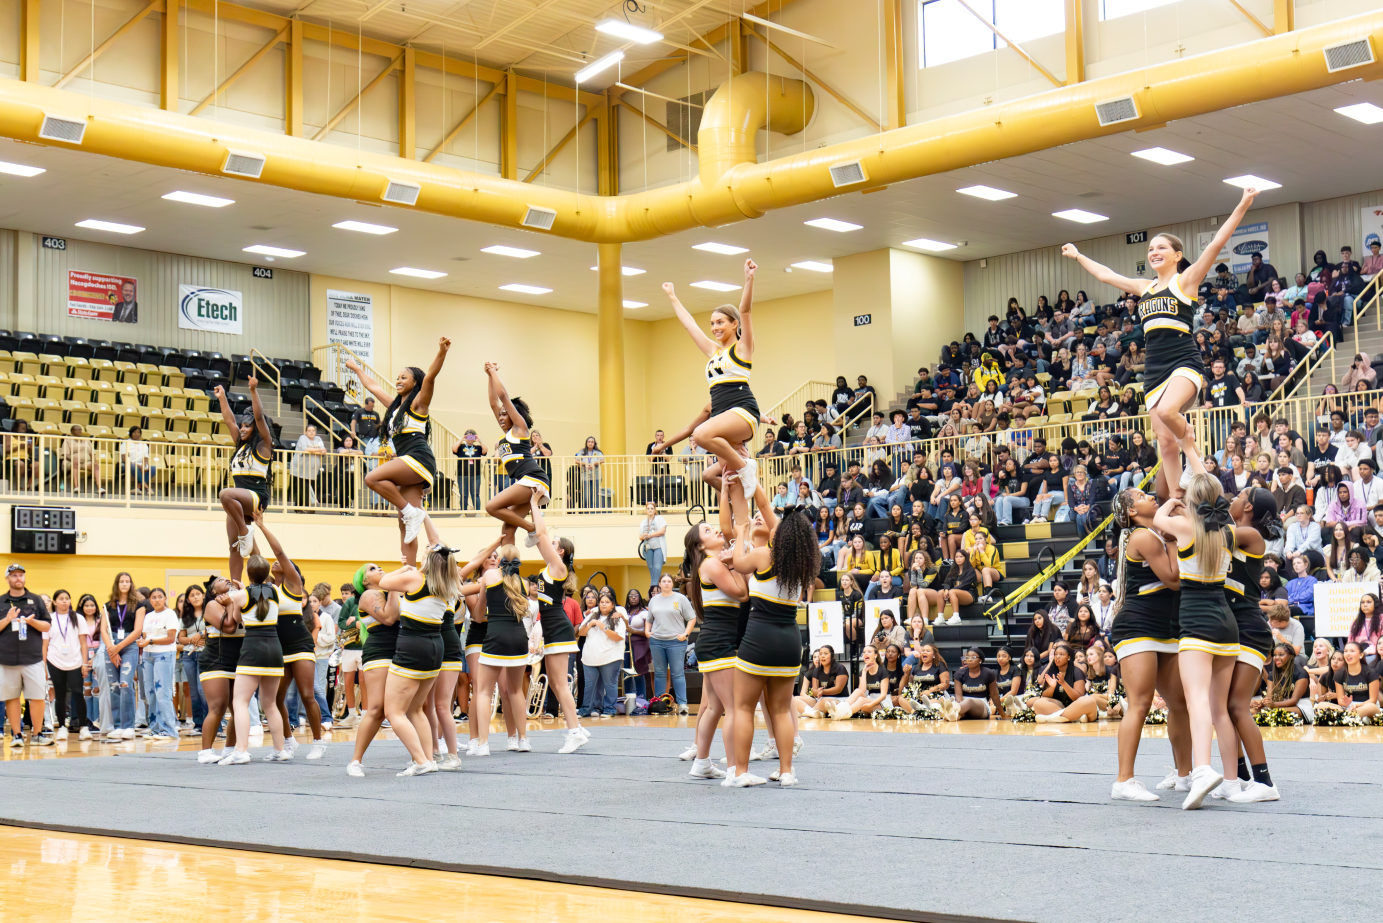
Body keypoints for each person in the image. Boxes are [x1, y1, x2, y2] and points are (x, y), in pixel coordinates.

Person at [1064, 185, 1258, 497]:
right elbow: (1105, 275)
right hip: (1153, 368)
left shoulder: (1187, 281)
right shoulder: (1144, 287)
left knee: (1170, 413)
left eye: (1161, 248)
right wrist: (1078, 256)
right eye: (1151, 248)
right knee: (1165, 442)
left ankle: (1197, 466)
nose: (1154, 252)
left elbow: (1218, 240)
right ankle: (1178, 500)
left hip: (1183, 361)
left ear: (1177, 255)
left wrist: (1243, 203)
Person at [1152, 473, 1243, 809]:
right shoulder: (1227, 530)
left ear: (1192, 500)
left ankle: (1203, 769)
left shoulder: (1186, 527)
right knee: (1220, 709)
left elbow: (1160, 519)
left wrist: (1173, 502)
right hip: (1226, 624)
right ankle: (1231, 782)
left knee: (1197, 702)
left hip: (1196, 621)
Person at [661, 260, 762, 526]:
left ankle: (745, 467)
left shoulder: (743, 348)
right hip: (721, 418)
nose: (715, 327)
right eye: (712, 323)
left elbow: (745, 309)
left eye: (720, 322)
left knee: (701, 434)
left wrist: (748, 278)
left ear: (733, 324)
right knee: (735, 488)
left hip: (741, 411)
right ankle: (743, 544)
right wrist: (672, 296)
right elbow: (688, 325)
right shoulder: (713, 352)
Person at [728, 503, 818, 787]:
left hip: (759, 638)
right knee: (781, 710)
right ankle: (787, 771)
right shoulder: (800, 567)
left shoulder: (763, 555)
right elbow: (769, 512)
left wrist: (741, 533)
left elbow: (736, 562)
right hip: (791, 642)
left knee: (743, 707)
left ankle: (741, 772)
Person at [346, 340, 449, 557]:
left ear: (415, 382)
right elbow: (373, 386)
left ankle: (412, 512)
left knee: (371, 478)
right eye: (398, 377)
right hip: (408, 461)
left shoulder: (419, 403)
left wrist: (441, 351)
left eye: (404, 377)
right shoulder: (395, 407)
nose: (398, 380)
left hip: (418, 458)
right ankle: (409, 572)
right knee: (404, 525)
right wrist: (356, 368)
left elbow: (430, 376)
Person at [1217, 488, 1281, 803]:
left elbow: (1209, 533)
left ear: (1249, 506)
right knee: (1226, 708)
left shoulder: (1251, 536)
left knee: (1237, 706)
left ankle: (1265, 782)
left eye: (1239, 494)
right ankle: (1240, 775)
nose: (1233, 497)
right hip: (1232, 629)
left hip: (1251, 630)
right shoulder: (1237, 531)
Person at [680, 495, 748, 777]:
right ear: (700, 545)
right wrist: (735, 562)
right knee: (733, 708)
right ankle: (734, 770)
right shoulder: (711, 564)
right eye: (707, 531)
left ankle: (702, 763)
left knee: (714, 707)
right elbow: (743, 594)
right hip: (718, 642)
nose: (716, 530)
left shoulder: (709, 564)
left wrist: (723, 489)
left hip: (713, 640)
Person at [253, 513, 328, 761]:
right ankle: (288, 741)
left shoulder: (294, 585)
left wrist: (262, 526)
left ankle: (318, 742)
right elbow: (255, 558)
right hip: (277, 646)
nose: (275, 562)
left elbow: (280, 552)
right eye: (272, 562)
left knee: (307, 694)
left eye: (281, 562)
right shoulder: (267, 586)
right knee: (275, 698)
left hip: (300, 643)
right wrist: (248, 530)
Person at [216, 554, 289, 765]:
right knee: (270, 704)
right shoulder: (275, 590)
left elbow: (237, 619)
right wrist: (243, 589)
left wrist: (237, 594)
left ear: (248, 574)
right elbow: (261, 592)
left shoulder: (240, 595)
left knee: (240, 702)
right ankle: (280, 749)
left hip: (253, 647)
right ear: (267, 573)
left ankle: (241, 751)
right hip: (274, 647)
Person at [482, 362, 551, 546]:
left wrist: (494, 371)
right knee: (507, 528)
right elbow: (492, 402)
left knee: (491, 506)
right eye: (501, 415)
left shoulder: (520, 428)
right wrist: (488, 376)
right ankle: (509, 568)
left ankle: (532, 529)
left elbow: (502, 396)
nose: (502, 417)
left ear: (515, 415)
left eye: (505, 414)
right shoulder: (507, 435)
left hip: (533, 479)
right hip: (526, 480)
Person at [214, 378, 276, 582]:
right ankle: (240, 584)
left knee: (225, 493)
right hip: (239, 503)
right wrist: (222, 398)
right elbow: (229, 420)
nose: (242, 428)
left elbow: (258, 417)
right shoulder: (240, 445)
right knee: (234, 546)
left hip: (256, 497)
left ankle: (244, 530)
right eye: (242, 426)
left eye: (247, 426)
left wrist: (253, 390)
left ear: (256, 429)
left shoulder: (263, 446)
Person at [193, 576, 239, 763]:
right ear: (213, 590)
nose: (227, 580)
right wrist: (229, 604)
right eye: (221, 580)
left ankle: (229, 749)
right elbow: (228, 627)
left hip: (238, 660)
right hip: (215, 660)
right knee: (218, 706)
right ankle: (205, 752)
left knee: (238, 708)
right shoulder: (212, 604)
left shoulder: (238, 601)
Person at [41, 590, 90, 741]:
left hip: (75, 661)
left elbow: (83, 643)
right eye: (61, 599)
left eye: (67, 598)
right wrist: (44, 666)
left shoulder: (78, 618)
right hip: (54, 661)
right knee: (60, 694)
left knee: (77, 693)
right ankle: (62, 727)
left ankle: (84, 727)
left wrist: (84, 663)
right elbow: (45, 645)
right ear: (55, 602)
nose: (64, 601)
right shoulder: (48, 619)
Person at [99, 572, 142, 741]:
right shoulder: (107, 605)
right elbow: (103, 629)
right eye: (121, 581)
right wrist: (111, 648)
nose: (124, 584)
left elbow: (138, 630)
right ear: (117, 584)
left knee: (125, 684)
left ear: (131, 584)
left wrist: (118, 648)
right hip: (111, 643)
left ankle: (128, 725)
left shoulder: (138, 605)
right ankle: (117, 726)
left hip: (129, 644)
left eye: (127, 581)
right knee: (114, 686)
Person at [940, 647, 1000, 721]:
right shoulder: (959, 674)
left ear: (980, 660)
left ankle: (949, 709)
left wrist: (1002, 713)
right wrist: (961, 706)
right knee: (959, 714)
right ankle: (953, 715)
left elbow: (994, 695)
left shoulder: (988, 673)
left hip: (981, 706)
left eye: (973, 657)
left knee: (969, 701)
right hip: (962, 705)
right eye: (967, 657)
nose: (969, 659)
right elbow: (958, 696)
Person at [452, 429, 486, 513]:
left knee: (475, 494)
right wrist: (461, 439)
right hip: (462, 474)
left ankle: (477, 512)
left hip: (476, 474)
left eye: (472, 436)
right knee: (463, 494)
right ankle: (463, 512)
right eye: (468, 436)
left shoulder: (478, 447)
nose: (470, 438)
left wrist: (479, 440)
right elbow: (454, 449)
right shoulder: (461, 447)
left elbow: (485, 451)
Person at [639, 501, 668, 590]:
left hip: (658, 547)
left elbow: (662, 531)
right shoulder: (643, 522)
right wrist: (644, 536)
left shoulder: (660, 519)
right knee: (651, 568)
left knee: (657, 568)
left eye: (652, 508)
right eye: (648, 509)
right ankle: (655, 588)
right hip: (648, 547)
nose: (650, 510)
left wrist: (650, 535)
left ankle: (653, 589)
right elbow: (640, 536)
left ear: (655, 510)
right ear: (646, 510)